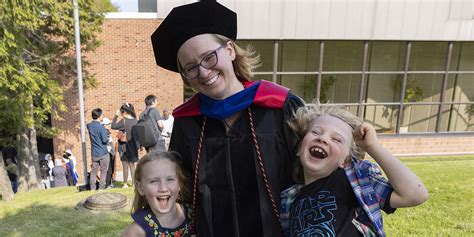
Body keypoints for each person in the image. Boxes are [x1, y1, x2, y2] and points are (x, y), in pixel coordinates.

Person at [151, 1, 304, 236]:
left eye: (209, 57)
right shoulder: (187, 122)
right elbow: (179, 190)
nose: (203, 72)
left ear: (230, 50)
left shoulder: (280, 106)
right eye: (190, 67)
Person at [280, 104, 429, 236]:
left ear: (346, 160)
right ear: (299, 148)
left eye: (337, 139)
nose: (323, 139)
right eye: (316, 132)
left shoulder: (355, 180)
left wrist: (372, 147)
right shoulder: (289, 199)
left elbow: (415, 194)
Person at [122, 151, 194, 237]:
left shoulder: (194, 214)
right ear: (140, 188)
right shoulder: (137, 231)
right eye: (154, 181)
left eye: (170, 179)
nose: (163, 188)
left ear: (180, 184)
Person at [112, 102, 139, 188]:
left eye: (121, 112)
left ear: (124, 112)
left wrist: (116, 116)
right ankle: (134, 183)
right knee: (132, 165)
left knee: (125, 166)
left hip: (123, 146)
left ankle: (125, 183)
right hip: (133, 146)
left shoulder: (123, 121)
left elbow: (113, 126)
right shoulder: (136, 121)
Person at [86, 108, 110, 190]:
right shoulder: (101, 127)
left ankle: (92, 188)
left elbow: (89, 125)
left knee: (94, 171)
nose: (103, 116)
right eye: (102, 115)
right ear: (99, 116)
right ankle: (101, 187)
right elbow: (104, 140)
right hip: (103, 152)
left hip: (94, 153)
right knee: (103, 171)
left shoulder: (89, 126)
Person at [102, 117, 116, 188]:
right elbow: (107, 143)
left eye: (109, 124)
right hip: (108, 153)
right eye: (107, 124)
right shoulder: (105, 132)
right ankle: (108, 184)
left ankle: (109, 183)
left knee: (111, 169)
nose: (109, 125)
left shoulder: (107, 131)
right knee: (109, 169)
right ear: (104, 125)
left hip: (110, 152)